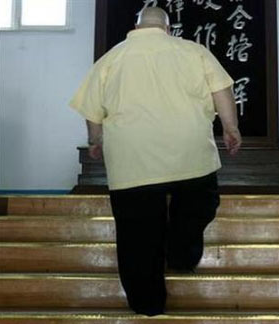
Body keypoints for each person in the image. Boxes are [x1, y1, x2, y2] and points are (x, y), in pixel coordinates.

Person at [69, 7, 242, 317]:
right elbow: (222, 90)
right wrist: (231, 129)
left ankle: (148, 306)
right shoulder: (194, 51)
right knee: (200, 204)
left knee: (137, 236)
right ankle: (180, 253)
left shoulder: (111, 59)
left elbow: (91, 110)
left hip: (132, 162)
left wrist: (96, 141)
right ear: (168, 28)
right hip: (190, 155)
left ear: (135, 26)